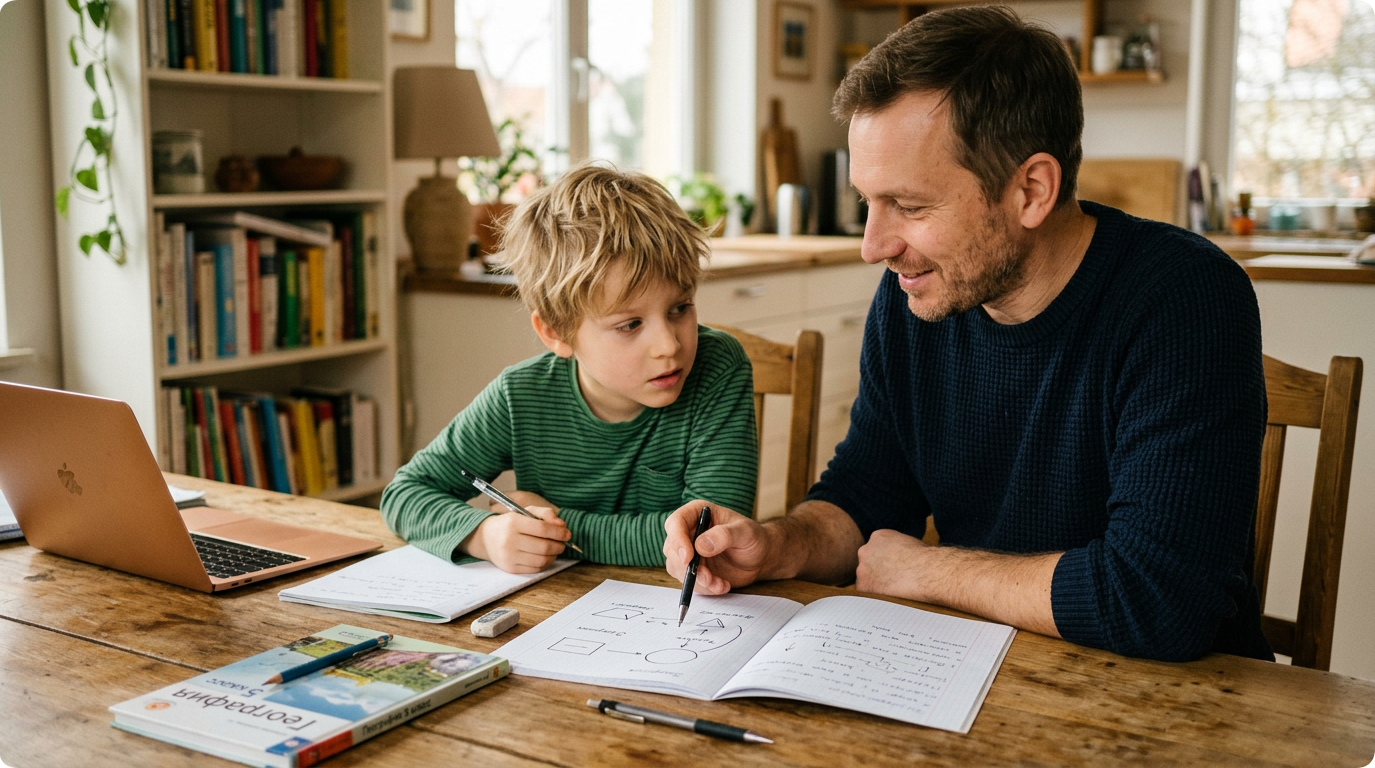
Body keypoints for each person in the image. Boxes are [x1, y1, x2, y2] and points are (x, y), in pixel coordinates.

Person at [664, 5, 1272, 663]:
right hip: (966, 671)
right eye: (869, 201)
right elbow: (867, 498)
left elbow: (1159, 601)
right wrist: (776, 546)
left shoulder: (1184, 299)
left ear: (1031, 190)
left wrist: (926, 571)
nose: (874, 245)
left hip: (1168, 708)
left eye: (911, 206)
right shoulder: (916, 296)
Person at [384, 164, 758, 573]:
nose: (669, 344)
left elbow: (714, 537)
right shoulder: (520, 397)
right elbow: (405, 494)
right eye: (630, 324)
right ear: (556, 332)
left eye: (680, 308)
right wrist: (485, 534)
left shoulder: (718, 366)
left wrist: (560, 527)